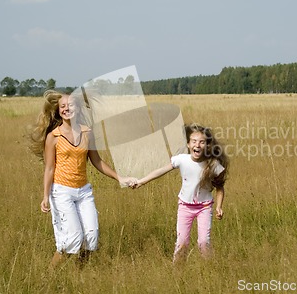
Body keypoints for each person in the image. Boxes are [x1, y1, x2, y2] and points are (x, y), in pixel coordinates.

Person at [29, 90, 133, 268]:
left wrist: (119, 178)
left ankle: (80, 274)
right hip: (62, 192)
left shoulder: (87, 133)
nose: (66, 109)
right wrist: (45, 196)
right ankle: (48, 276)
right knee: (73, 239)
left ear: (77, 108)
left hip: (83, 191)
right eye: (62, 106)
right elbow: (49, 168)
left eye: (70, 105)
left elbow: (97, 161)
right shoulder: (53, 137)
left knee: (91, 237)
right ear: (58, 110)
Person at [131, 123, 229, 262]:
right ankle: (178, 272)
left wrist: (219, 206)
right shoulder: (182, 159)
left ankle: (209, 269)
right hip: (185, 206)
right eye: (194, 141)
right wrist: (142, 181)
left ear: (207, 145)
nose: (197, 145)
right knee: (182, 242)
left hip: (204, 207)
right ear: (188, 144)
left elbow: (220, 187)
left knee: (203, 242)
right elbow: (161, 171)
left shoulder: (212, 165)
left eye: (202, 142)